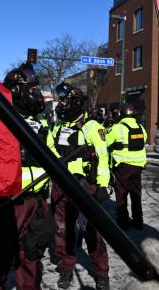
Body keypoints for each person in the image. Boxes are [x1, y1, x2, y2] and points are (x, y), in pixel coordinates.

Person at [0, 63, 57, 290]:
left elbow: (53, 159)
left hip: (36, 203)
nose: (37, 94)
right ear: (17, 90)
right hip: (6, 205)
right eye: (33, 89)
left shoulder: (40, 124)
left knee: (31, 262)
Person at [51, 81, 111, 290]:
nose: (61, 104)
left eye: (65, 100)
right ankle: (66, 267)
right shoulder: (58, 127)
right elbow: (51, 151)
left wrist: (103, 185)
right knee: (62, 230)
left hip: (86, 186)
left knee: (92, 232)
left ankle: (101, 273)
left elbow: (103, 157)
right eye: (60, 100)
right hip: (61, 186)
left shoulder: (93, 127)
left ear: (76, 102)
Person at [105, 102, 147, 230]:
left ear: (121, 114)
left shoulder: (117, 128)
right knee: (136, 195)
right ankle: (138, 222)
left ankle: (123, 224)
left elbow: (106, 141)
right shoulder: (141, 128)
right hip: (138, 167)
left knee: (121, 195)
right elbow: (143, 141)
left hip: (123, 167)